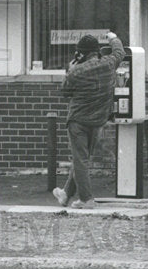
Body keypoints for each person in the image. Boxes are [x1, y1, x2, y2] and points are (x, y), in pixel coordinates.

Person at [53, 31, 124, 209]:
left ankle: (86, 199)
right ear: (97, 51)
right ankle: (65, 194)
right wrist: (113, 38)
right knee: (82, 159)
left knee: (80, 160)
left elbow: (64, 92)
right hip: (98, 120)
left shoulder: (76, 71)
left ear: (80, 53)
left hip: (78, 121)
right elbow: (119, 53)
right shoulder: (109, 63)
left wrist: (69, 69)